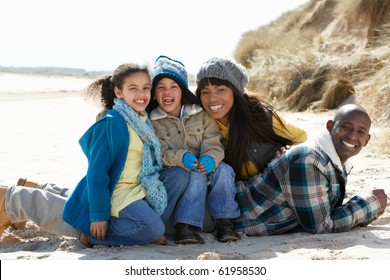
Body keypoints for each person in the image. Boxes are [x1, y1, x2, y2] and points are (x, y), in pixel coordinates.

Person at [0, 63, 179, 247]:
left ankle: (36, 187)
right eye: (133, 88)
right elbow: (97, 173)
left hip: (135, 190)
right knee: (153, 229)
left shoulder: (142, 121)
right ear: (118, 92)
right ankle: (89, 235)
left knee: (156, 217)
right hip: (118, 193)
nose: (141, 94)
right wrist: (99, 216)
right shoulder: (112, 124)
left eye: (146, 88)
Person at [234, 104, 387, 235]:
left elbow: (325, 212)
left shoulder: (335, 161)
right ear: (330, 127)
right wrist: (369, 203)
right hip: (230, 220)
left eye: (361, 132)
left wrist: (369, 209)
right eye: (346, 127)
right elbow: (321, 226)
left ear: (366, 140)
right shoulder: (309, 159)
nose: (353, 136)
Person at [147, 55, 241, 244]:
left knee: (225, 170)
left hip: (208, 167)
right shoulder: (153, 121)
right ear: (154, 93)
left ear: (182, 91)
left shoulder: (199, 113)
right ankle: (186, 226)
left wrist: (210, 158)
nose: (168, 92)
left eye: (173, 87)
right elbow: (159, 153)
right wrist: (181, 157)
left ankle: (225, 222)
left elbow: (213, 140)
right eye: (161, 87)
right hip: (183, 171)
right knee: (194, 174)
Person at [195, 57, 308, 181]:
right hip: (237, 193)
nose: (212, 98)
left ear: (235, 91)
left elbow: (302, 138)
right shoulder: (198, 125)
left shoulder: (260, 115)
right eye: (205, 92)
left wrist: (288, 152)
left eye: (221, 90)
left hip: (273, 184)